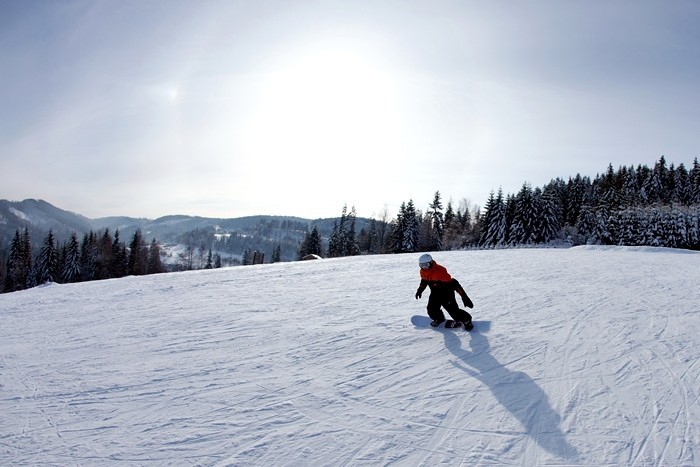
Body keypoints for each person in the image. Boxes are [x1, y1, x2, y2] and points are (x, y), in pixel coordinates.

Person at [415, 253, 474, 329]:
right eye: (421, 265)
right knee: (431, 310)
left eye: (426, 265)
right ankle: (439, 319)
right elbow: (424, 281)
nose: (424, 267)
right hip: (435, 293)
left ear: (431, 263)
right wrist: (420, 290)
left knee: (454, 312)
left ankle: (467, 321)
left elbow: (454, 283)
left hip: (446, 293)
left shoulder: (440, 271)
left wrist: (464, 296)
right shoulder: (422, 271)